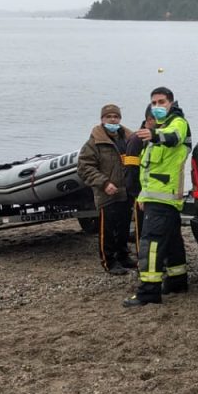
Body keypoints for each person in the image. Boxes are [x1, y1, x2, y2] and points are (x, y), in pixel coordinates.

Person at [123, 87, 191, 307]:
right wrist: (141, 194)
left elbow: (173, 138)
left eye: (162, 102)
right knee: (171, 241)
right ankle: (177, 280)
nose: (158, 106)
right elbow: (146, 169)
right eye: (154, 103)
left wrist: (153, 135)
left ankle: (149, 291)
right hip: (157, 196)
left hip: (163, 196)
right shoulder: (159, 128)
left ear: (171, 102)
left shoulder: (177, 123)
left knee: (151, 243)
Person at [77, 103, 136, 275]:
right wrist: (104, 183)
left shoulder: (128, 138)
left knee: (124, 226)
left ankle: (123, 255)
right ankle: (108, 261)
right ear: (102, 119)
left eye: (115, 117)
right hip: (107, 193)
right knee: (107, 229)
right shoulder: (94, 142)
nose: (112, 119)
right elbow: (84, 167)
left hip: (126, 192)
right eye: (109, 117)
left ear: (120, 119)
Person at [123, 105, 156, 249]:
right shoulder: (137, 140)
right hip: (141, 193)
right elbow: (131, 170)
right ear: (149, 120)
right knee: (142, 230)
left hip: (155, 191)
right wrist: (137, 194)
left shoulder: (156, 138)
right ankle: (141, 259)